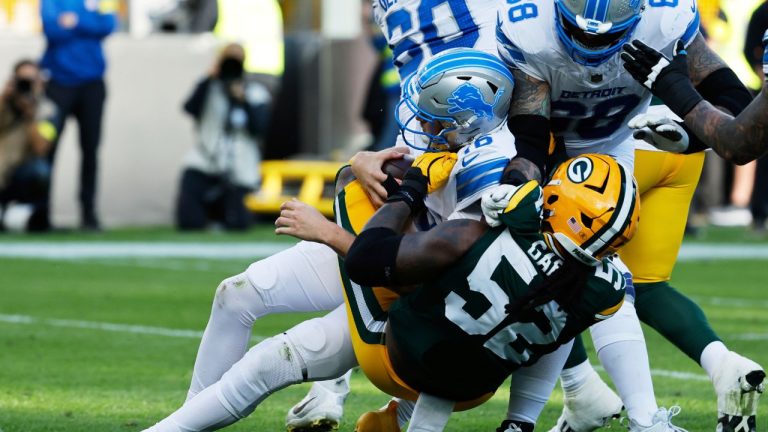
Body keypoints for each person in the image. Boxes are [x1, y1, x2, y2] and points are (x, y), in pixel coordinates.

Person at [141, 148, 639, 432]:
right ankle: (516, 425)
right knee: (560, 319)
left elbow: (374, 263)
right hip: (472, 385)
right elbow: (555, 335)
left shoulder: (481, 227)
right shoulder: (607, 285)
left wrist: (402, 193)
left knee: (279, 354)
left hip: (404, 351)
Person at [495, 0, 764, 430]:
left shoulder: (667, 17)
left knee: (604, 280)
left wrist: (690, 135)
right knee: (550, 281)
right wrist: (513, 186)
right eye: (579, 32)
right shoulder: (531, 26)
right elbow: (531, 136)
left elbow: (733, 109)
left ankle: (625, 413)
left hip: (620, 148)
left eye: (604, 34)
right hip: (548, 148)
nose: (590, 43)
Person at [175, 42, 271, 231]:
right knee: (189, 222)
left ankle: (221, 215)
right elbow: (189, 108)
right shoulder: (210, 88)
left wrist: (243, 101)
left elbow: (258, 128)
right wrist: (208, 78)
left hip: (238, 168)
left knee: (238, 224)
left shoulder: (255, 92)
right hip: (205, 161)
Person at [40, 0, 116, 231]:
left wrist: (74, 21)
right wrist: (88, 25)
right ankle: (41, 213)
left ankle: (88, 213)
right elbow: (52, 31)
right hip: (58, 85)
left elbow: (109, 25)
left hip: (92, 85)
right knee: (47, 149)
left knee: (91, 150)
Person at [0, 59, 58, 232]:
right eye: (22, 81)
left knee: (40, 171)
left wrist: (30, 114)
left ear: (39, 82)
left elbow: (41, 148)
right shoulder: (4, 103)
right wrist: (5, 97)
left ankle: (23, 211)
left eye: (30, 81)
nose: (25, 86)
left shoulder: (48, 110)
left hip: (22, 174)